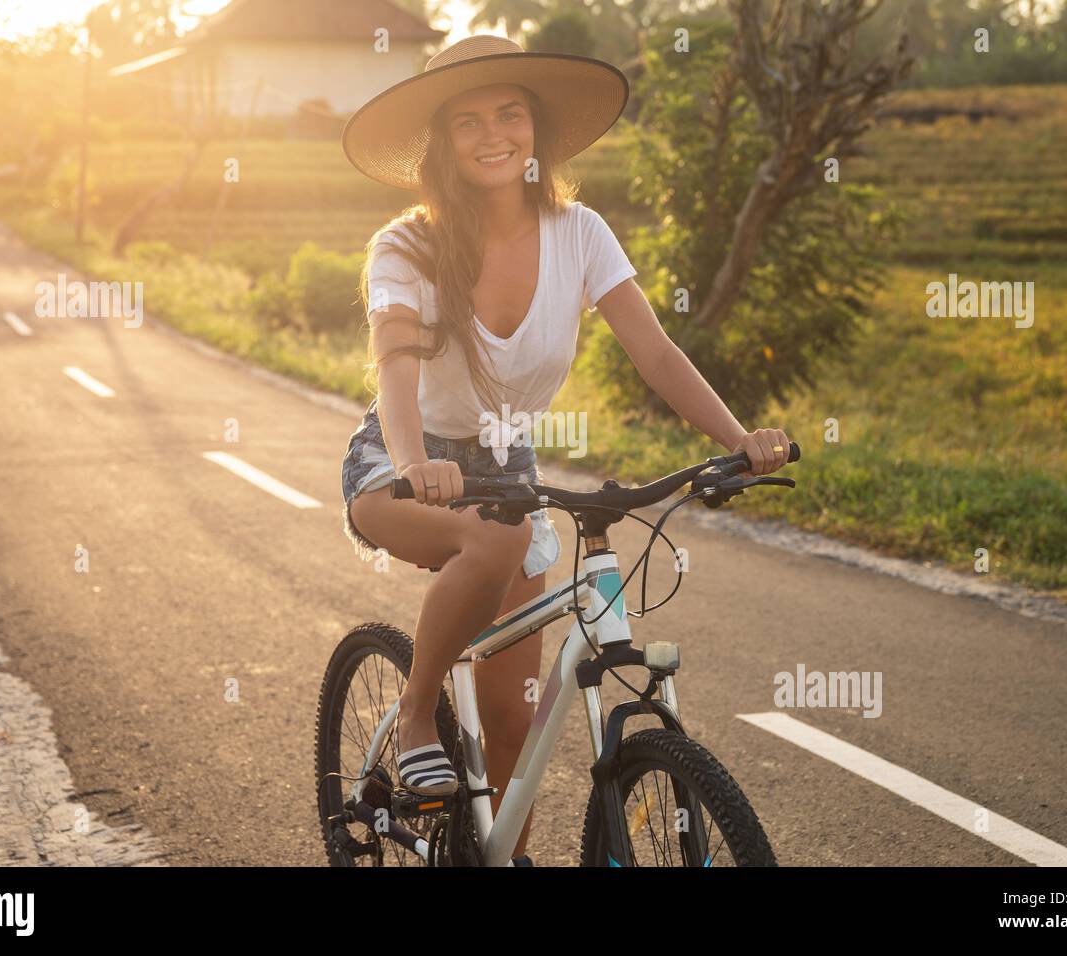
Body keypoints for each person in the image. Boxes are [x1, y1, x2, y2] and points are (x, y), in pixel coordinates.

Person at [338, 35, 791, 863]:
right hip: (401, 462)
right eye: (468, 120)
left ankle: (501, 855)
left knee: (513, 724)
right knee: (498, 537)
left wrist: (740, 441)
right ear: (443, 142)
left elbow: (655, 352)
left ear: (536, 130)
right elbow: (395, 369)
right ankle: (413, 710)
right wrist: (412, 464)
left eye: (509, 112)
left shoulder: (580, 232)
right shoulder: (405, 245)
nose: (493, 133)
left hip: (508, 467)